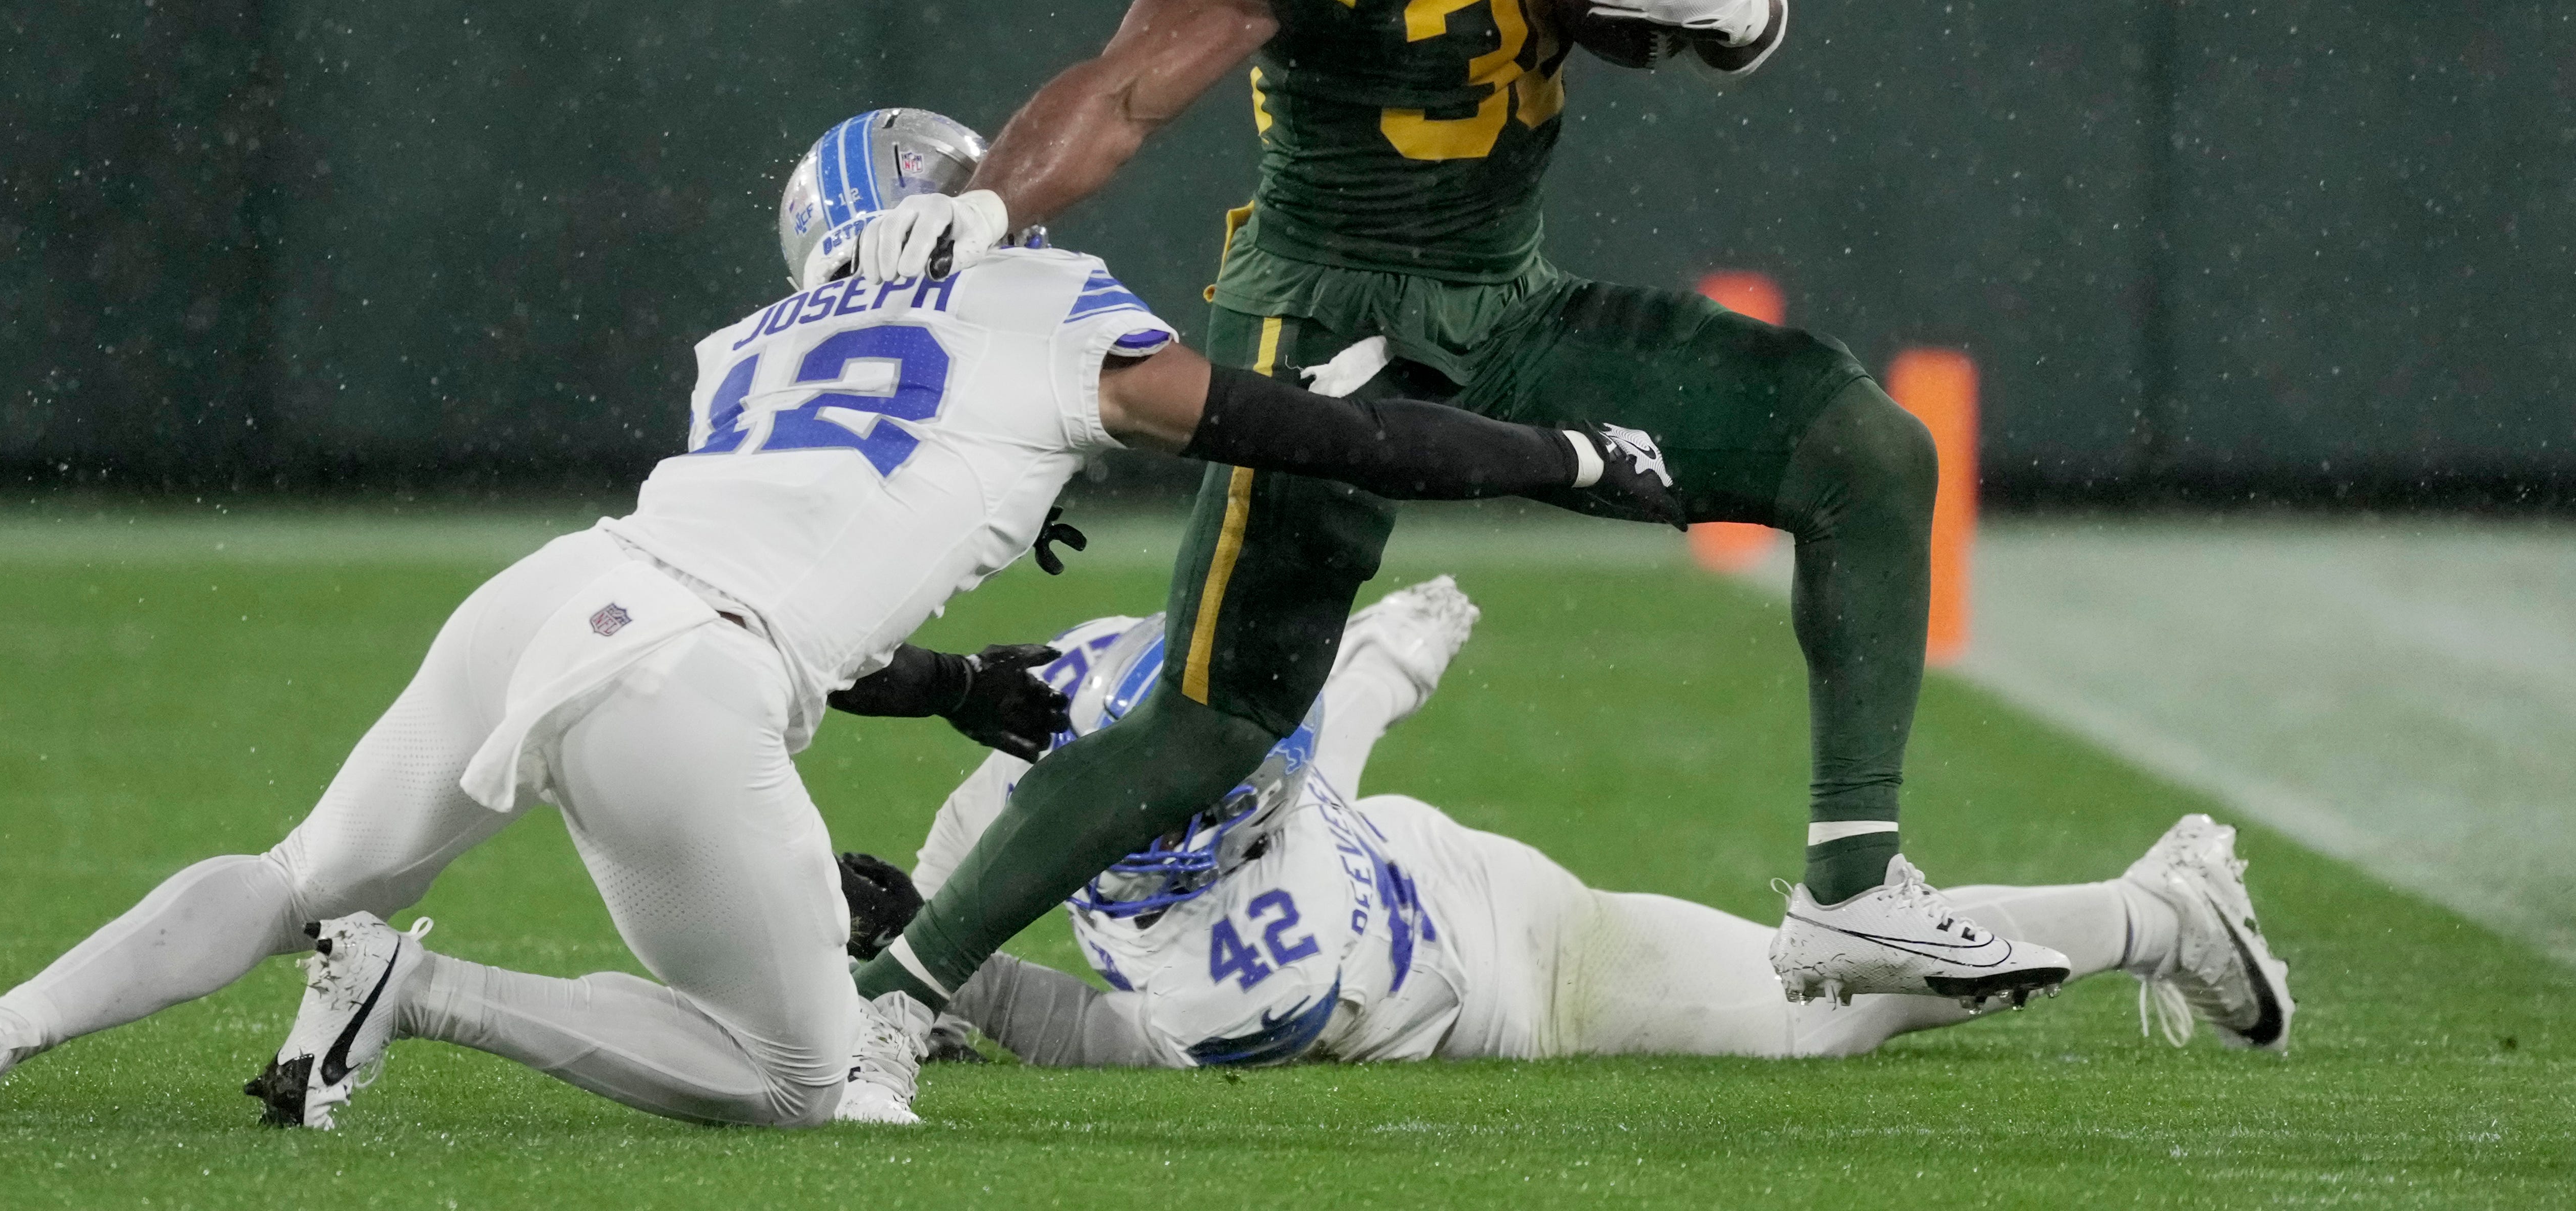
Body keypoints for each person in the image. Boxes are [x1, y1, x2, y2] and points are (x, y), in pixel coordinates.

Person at [0, 108, 1678, 1133]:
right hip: (691, 675)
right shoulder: (1046, 300)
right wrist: (1561, 460)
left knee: (291, 864)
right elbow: (1280, 427)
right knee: (809, 1087)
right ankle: (418, 992)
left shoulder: (750, 342)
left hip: (560, 595)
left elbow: (810, 560)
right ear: (961, 202)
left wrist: (957, 680)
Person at [838, 0, 2065, 1039]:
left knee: (1864, 449)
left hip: (1509, 298)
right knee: (1215, 723)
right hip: (1327, 320)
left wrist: (1743, 8)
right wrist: (993, 200)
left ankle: (1853, 894)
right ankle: (901, 995)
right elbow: (1140, 76)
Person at [909, 580, 2295, 1070]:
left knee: (1818, 1013)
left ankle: (2163, 914)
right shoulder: (1177, 747)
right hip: (1427, 872)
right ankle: (2156, 913)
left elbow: (1106, 1037)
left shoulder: (1231, 982)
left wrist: (947, 970)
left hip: (1520, 974)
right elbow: (1297, 736)